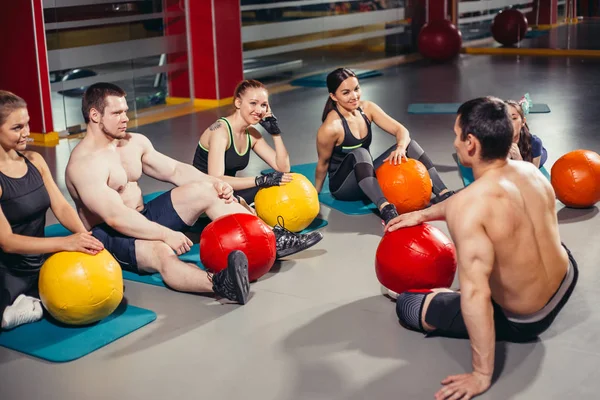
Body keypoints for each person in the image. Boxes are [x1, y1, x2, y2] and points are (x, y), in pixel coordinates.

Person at [387, 97, 577, 399]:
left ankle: (444, 306)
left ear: (471, 143)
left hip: (529, 319)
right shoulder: (528, 171)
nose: (455, 141)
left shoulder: (468, 207)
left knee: (408, 305)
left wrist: (481, 374)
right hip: (567, 278)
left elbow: (476, 295)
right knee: (519, 231)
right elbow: (472, 197)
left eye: (456, 134)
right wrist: (425, 213)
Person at [65, 83, 257, 305]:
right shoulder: (84, 164)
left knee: (205, 190)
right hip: (111, 234)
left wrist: (215, 183)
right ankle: (222, 284)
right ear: (95, 115)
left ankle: (262, 238)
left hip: (143, 214)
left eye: (125, 111)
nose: (125, 118)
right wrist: (166, 234)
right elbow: (115, 217)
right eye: (117, 113)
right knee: (161, 251)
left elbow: (175, 170)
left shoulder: (133, 143)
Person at [0, 90, 104, 330]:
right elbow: (6, 241)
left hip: (39, 261)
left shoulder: (35, 160)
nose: (27, 132)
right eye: (16, 128)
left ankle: (29, 301)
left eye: (27, 124)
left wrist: (85, 238)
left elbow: (61, 206)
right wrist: (66, 243)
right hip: (6, 269)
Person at [192, 79, 323, 257]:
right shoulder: (220, 131)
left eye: (263, 105)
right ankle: (275, 237)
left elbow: (283, 168)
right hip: (205, 200)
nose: (259, 110)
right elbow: (217, 179)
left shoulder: (251, 134)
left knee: (278, 182)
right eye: (253, 103)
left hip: (227, 191)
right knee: (262, 184)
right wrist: (260, 179)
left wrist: (275, 133)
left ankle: (271, 232)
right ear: (238, 103)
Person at [315, 68, 455, 226]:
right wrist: (316, 194)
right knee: (360, 152)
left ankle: (443, 193)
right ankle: (385, 208)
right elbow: (323, 164)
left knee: (410, 144)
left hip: (366, 176)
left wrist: (401, 147)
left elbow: (400, 130)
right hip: (344, 187)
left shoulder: (367, 109)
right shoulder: (330, 127)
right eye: (346, 93)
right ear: (333, 96)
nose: (354, 96)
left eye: (356, 89)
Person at [506, 94, 548, 168]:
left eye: (514, 118)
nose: (509, 123)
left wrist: (519, 159)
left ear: (523, 122)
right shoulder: (492, 142)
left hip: (537, 154)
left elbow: (533, 176)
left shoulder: (534, 143)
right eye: (505, 118)